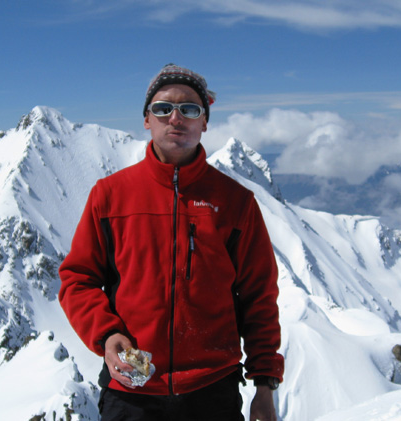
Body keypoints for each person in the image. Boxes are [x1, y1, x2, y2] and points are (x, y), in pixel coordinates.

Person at [59, 63, 284, 421]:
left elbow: (259, 297)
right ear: (147, 119)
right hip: (131, 392)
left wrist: (265, 385)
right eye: (163, 108)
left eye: (189, 109)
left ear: (204, 122)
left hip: (213, 392)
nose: (175, 118)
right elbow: (77, 279)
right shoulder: (110, 197)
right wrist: (107, 334)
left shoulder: (236, 203)